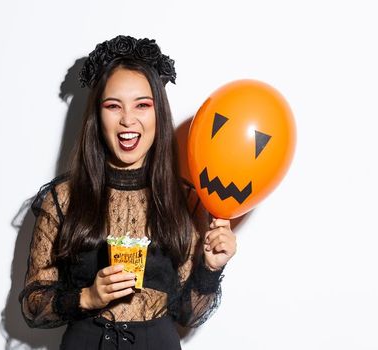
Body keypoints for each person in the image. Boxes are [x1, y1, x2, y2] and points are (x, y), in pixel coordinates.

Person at [20, 35, 237, 350]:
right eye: (113, 106)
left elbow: (188, 314)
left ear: (157, 113)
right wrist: (87, 297)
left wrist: (211, 269)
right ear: (98, 116)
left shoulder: (184, 197)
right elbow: (32, 304)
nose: (127, 119)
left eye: (142, 105)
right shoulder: (63, 198)